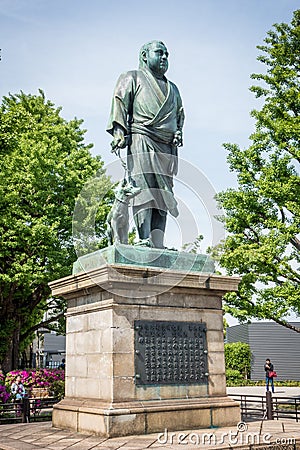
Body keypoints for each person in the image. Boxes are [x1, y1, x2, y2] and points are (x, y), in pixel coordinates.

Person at [107, 40, 184, 248]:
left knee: (163, 194)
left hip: (166, 146)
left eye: (167, 54)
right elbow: (120, 102)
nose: (164, 58)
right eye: (159, 53)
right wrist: (119, 132)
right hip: (141, 138)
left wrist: (178, 132)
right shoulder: (131, 77)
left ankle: (158, 243)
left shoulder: (173, 89)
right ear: (144, 55)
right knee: (142, 189)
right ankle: (143, 239)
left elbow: (179, 115)